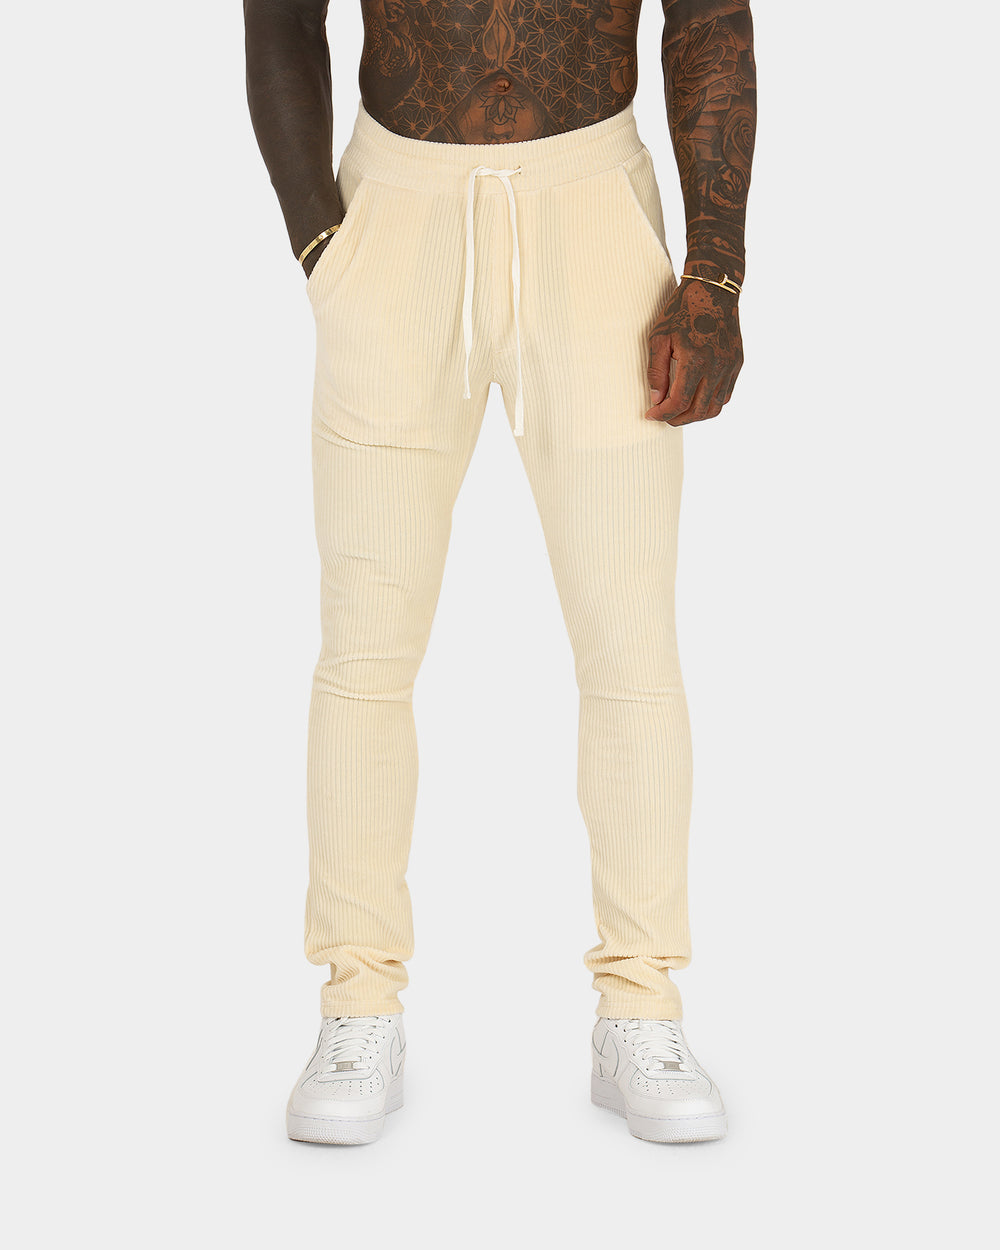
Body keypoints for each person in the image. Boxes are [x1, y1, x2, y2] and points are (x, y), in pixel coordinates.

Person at [243, 0, 756, 1146]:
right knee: (365, 648)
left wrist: (715, 276)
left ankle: (640, 1004)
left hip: (593, 211)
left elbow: (708, 20)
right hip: (395, 216)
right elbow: (278, 16)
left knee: (630, 643)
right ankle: (357, 999)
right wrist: (320, 239)